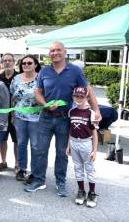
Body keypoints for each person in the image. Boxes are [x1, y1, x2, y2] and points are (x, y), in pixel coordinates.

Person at [25, 41, 101, 197]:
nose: (55, 53)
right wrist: (45, 104)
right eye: (52, 51)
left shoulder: (75, 71)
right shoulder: (44, 71)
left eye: (58, 50)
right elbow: (37, 93)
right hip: (45, 117)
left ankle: (61, 182)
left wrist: (97, 110)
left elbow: (88, 91)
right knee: (40, 151)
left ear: (65, 52)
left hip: (65, 119)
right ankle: (39, 180)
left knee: (62, 153)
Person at [10, 55, 41, 184]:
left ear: (35, 65)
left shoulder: (41, 78)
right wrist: (12, 115)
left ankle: (35, 172)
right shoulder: (16, 79)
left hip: (36, 118)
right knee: (21, 143)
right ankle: (22, 169)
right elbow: (13, 97)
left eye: (29, 63)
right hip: (19, 117)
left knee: (35, 145)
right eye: (23, 63)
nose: (26, 65)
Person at [66, 87, 98, 207]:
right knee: (78, 168)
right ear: (73, 97)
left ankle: (92, 192)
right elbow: (70, 129)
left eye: (81, 96)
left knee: (89, 168)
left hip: (86, 143)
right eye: (76, 96)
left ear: (87, 98)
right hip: (74, 142)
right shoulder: (72, 112)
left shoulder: (91, 113)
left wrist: (94, 150)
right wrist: (68, 145)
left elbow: (94, 132)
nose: (78, 99)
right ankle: (81, 191)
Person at [0, 53, 18, 171]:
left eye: (10, 60)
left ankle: (17, 164)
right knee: (2, 140)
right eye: (5, 61)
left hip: (17, 115)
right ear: (2, 63)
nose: (7, 62)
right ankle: (3, 161)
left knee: (17, 141)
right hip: (2, 115)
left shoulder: (19, 77)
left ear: (14, 62)